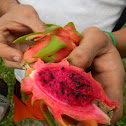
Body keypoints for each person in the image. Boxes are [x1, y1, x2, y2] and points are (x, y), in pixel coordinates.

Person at [0, 0, 126, 125]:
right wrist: (10, 8)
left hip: (96, 73)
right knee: (44, 114)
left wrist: (110, 42)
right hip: (26, 80)